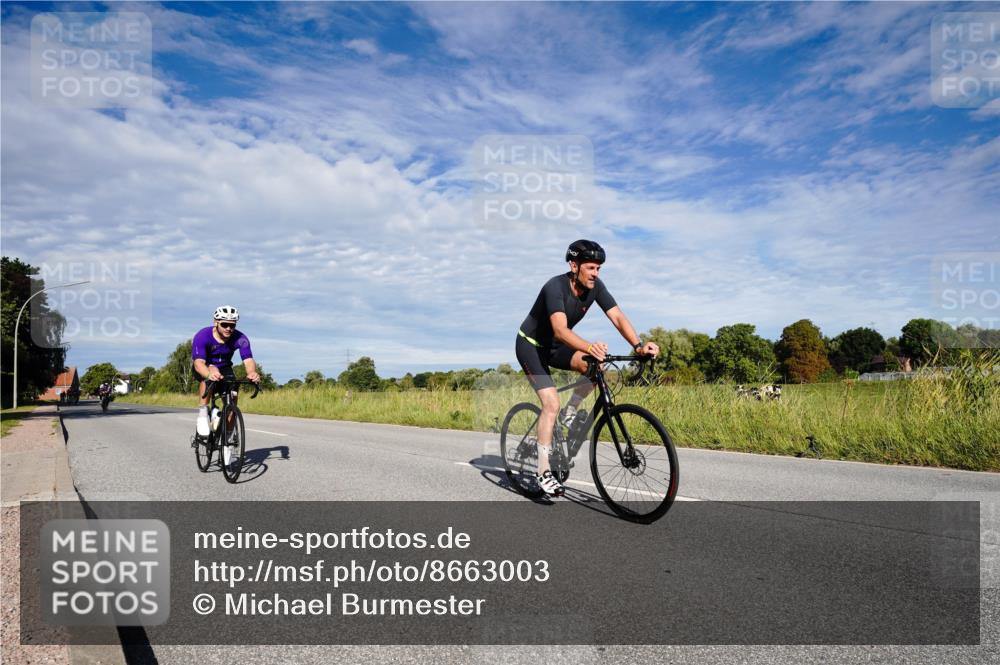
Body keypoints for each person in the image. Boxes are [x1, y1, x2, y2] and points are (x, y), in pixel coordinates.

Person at [515, 240, 660, 497]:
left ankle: (570, 411)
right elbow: (560, 330)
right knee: (551, 403)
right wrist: (590, 347)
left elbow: (617, 317)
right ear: (574, 266)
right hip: (531, 346)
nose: (595, 273)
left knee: (597, 367)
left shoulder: (596, 287)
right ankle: (543, 471)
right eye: (591, 268)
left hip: (556, 347)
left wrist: (638, 346)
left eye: (599, 268)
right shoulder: (554, 287)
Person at [191, 305, 259, 437]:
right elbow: (198, 363)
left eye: (232, 325)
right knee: (210, 374)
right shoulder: (202, 335)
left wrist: (252, 373)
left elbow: (248, 360)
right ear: (215, 322)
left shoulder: (241, 338)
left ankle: (227, 437)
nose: (229, 328)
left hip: (225, 367)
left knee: (232, 395)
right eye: (224, 324)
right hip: (205, 365)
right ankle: (203, 414)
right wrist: (209, 374)